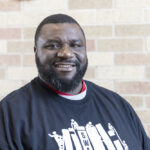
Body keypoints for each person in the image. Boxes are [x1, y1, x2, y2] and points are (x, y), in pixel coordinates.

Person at [0, 14, 149, 150]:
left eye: (75, 45)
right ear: (36, 52)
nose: (66, 53)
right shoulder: (9, 113)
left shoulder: (118, 106)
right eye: (52, 45)